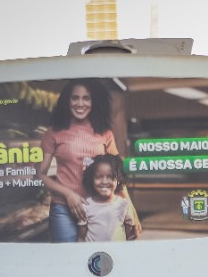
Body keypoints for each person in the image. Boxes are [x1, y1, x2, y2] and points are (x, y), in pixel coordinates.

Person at [38, 79, 140, 243]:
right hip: (63, 208)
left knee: (100, 259)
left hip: (99, 209)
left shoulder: (104, 133)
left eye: (86, 98)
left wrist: (130, 208)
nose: (80, 103)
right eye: (75, 98)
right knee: (69, 259)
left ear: (94, 101)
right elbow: (40, 175)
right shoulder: (54, 132)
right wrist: (69, 194)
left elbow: (117, 173)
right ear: (67, 101)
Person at [76, 155, 138, 242]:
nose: (104, 182)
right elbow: (81, 237)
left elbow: (129, 235)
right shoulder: (86, 206)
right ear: (91, 179)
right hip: (95, 253)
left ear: (119, 179)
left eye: (111, 177)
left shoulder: (124, 205)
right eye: (98, 177)